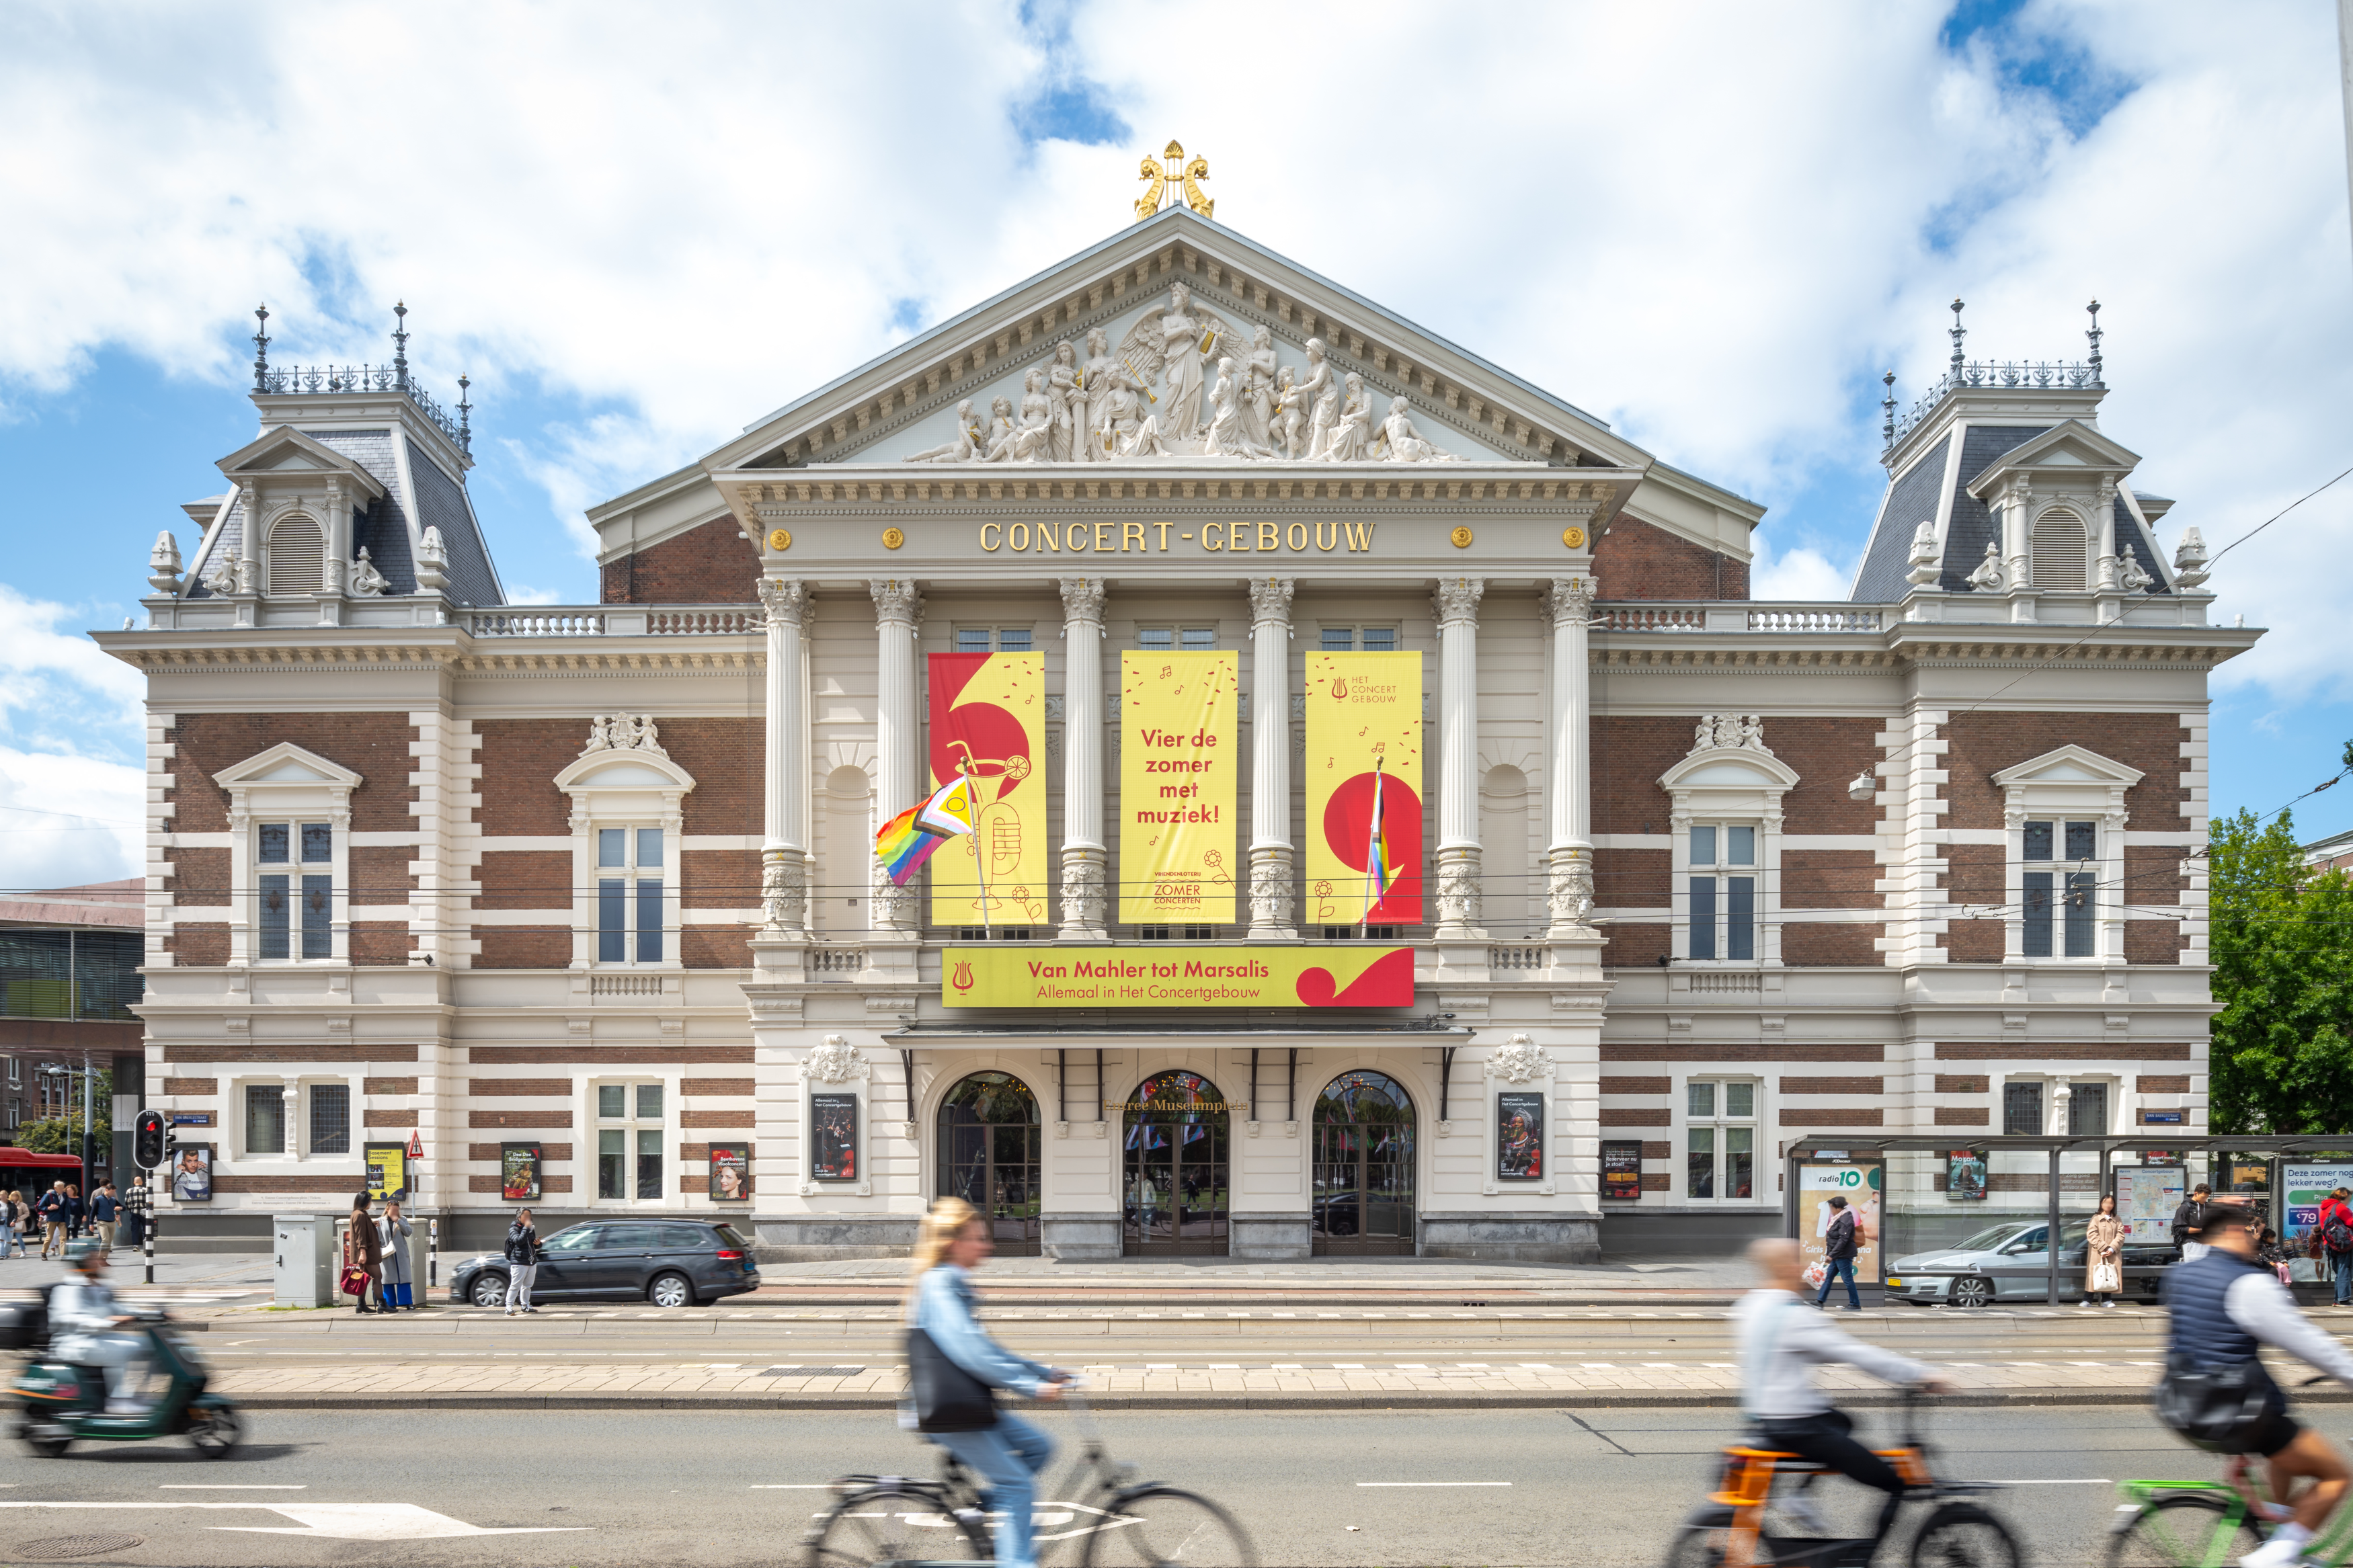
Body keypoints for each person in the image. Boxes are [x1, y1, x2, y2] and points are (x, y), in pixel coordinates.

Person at [2160, 1203, 2353, 1568]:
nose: (2254, 1238)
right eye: (2249, 1230)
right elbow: (2309, 1343)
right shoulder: (2248, 1283)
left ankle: (2282, 1535)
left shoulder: (2181, 1277)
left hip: (2184, 1405)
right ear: (2233, 1232)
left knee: (2286, 1438)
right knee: (2336, 1476)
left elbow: (2195, 1346)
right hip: (2237, 1410)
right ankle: (2277, 1557)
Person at [1738, 1237, 1952, 1553]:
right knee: (1895, 1481)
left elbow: (1804, 1351)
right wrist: (1920, 1374)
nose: (1803, 1268)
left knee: (1842, 1421)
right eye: (1796, 1262)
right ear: (1783, 1268)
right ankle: (1862, 1554)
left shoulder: (1753, 1305)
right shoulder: (1794, 1316)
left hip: (1766, 1417)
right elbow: (1854, 1352)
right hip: (1797, 1426)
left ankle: (1799, 1496)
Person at [907, 1197, 1071, 1568]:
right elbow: (970, 1351)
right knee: (1017, 1485)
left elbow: (985, 1347)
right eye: (978, 1238)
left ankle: (984, 1512)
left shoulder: (953, 1281)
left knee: (1039, 1447)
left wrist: (1042, 1371)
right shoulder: (939, 1284)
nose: (987, 1246)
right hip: (950, 1411)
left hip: (969, 1404)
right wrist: (1033, 1388)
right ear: (953, 1243)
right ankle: (1016, 1561)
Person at [50, 1240, 150, 1413]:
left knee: (150, 1346)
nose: (100, 1261)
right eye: (93, 1257)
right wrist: (110, 1321)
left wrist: (154, 1314)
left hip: (99, 1338)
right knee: (121, 1350)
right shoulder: (68, 1288)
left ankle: (140, 1395)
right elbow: (71, 1317)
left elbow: (122, 1309)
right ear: (80, 1260)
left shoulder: (102, 1286)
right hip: (75, 1343)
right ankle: (117, 1400)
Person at [1814, 1194, 1864, 1311]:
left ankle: (1855, 1304)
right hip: (1837, 1255)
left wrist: (1831, 1255)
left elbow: (1843, 1240)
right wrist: (1830, 1254)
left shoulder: (1846, 1219)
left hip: (1844, 1255)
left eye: (1831, 1208)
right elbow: (1834, 1239)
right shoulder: (1839, 1218)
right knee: (1829, 1277)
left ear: (1838, 1207)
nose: (1830, 1211)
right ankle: (1820, 1301)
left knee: (1847, 1279)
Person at [2085, 1192, 2126, 1309]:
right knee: (2095, 1275)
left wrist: (2113, 1248)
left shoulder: (2117, 1219)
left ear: (2114, 1205)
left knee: (2110, 1275)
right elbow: (2092, 1234)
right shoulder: (2096, 1218)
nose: (2108, 1205)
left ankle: (2107, 1300)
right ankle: (2087, 1300)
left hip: (2113, 1253)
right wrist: (2104, 1247)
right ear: (2101, 1204)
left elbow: (2121, 1235)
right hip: (2098, 1253)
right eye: (2106, 1202)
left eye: (2111, 1203)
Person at [344, 1194, 382, 1315]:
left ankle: (361, 1304)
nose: (371, 1203)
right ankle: (382, 1304)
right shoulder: (360, 1215)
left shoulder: (359, 1213)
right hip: (367, 1253)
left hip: (365, 1252)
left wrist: (371, 1224)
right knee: (377, 1277)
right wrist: (363, 1253)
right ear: (365, 1202)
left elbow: (362, 1230)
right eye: (370, 1201)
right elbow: (360, 1236)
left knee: (363, 1278)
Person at [376, 1195, 414, 1311]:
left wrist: (398, 1220)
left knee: (404, 1278)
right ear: (387, 1210)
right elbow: (377, 1237)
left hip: (400, 1252)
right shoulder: (380, 1221)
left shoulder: (402, 1219)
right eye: (393, 1210)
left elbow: (408, 1232)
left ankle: (407, 1303)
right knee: (388, 1279)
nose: (395, 1212)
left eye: (397, 1210)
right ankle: (390, 1303)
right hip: (387, 1253)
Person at [2318, 1187, 2353, 1307]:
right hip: (2342, 1243)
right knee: (2345, 1269)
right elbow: (2351, 1222)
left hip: (2330, 1244)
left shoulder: (2325, 1208)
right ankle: (2344, 1299)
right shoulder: (2340, 1207)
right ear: (2343, 1198)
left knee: (2339, 1271)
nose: (2350, 1201)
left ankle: (2338, 1300)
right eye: (2349, 1199)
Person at [504, 1208, 539, 1316]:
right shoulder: (514, 1229)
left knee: (527, 1285)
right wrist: (526, 1229)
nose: (529, 1218)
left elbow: (532, 1244)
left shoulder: (530, 1229)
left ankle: (525, 1306)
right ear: (519, 1218)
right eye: (526, 1216)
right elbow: (519, 1241)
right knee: (515, 1285)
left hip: (531, 1261)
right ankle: (509, 1307)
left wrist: (538, 1243)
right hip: (519, 1261)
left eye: (530, 1216)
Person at [2175, 1184, 2213, 1261]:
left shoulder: (2207, 1207)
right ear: (2196, 1194)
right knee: (2194, 1270)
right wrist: (2201, 1230)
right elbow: (2178, 1228)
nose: (2205, 1200)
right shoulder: (2184, 1208)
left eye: (2207, 1197)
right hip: (2192, 1244)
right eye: (2203, 1197)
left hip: (2207, 1244)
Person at [35, 1182, 66, 1260]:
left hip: (62, 1219)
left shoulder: (65, 1195)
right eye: (60, 1187)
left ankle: (63, 1255)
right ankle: (43, 1253)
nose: (62, 1189)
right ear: (55, 1188)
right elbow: (40, 1206)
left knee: (63, 1238)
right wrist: (49, 1208)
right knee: (50, 1237)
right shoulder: (49, 1196)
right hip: (52, 1218)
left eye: (63, 1187)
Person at [89, 1181, 120, 1260]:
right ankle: (100, 1258)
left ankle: (104, 1259)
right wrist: (91, 1224)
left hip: (112, 1222)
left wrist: (120, 1208)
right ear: (107, 1189)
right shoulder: (98, 1199)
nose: (113, 1193)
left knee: (108, 1242)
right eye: (112, 1191)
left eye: (114, 1192)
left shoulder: (113, 1199)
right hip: (102, 1221)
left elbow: (122, 1206)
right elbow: (93, 1211)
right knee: (105, 1240)